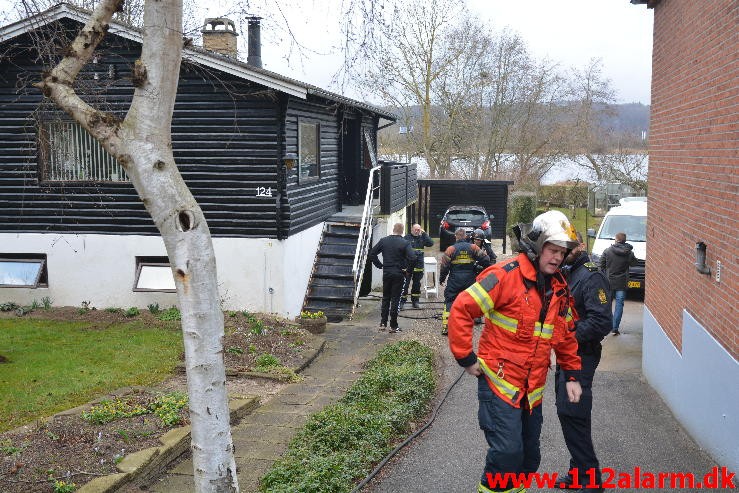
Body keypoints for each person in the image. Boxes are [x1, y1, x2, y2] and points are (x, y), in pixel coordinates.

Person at [448, 210, 583, 493]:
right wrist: (466, 357)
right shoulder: (504, 276)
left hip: (531, 390)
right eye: (552, 250)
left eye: (562, 252)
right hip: (500, 383)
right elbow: (461, 308)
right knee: (507, 454)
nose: (557, 257)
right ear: (536, 245)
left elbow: (566, 335)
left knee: (529, 458)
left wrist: (571, 375)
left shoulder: (559, 288)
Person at [556, 231, 612, 493]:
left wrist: (568, 338)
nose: (564, 251)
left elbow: (601, 322)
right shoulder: (569, 272)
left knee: (573, 412)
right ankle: (577, 473)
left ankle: (591, 480)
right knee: (569, 412)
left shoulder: (591, 275)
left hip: (582, 355)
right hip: (568, 355)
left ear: (580, 245)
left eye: (568, 246)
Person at [439, 228, 490, 336]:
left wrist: (442, 279)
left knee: (450, 301)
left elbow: (444, 267)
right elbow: (486, 260)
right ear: (466, 236)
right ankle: (469, 324)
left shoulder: (450, 249)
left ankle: (446, 327)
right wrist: (478, 268)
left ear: (456, 236)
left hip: (454, 280)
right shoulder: (473, 247)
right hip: (469, 280)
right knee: (471, 301)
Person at [369, 222, 415, 333]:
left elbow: (372, 253)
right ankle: (393, 326)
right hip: (399, 274)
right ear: (402, 231)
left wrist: (380, 265)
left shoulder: (384, 241)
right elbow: (413, 258)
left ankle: (383, 323)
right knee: (396, 299)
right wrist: (408, 270)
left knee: (386, 298)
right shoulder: (405, 243)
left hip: (387, 273)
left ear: (393, 230)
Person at [599, 232, 637, 335]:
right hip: (622, 283)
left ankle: (607, 325)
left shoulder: (607, 251)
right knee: (619, 305)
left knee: (607, 304)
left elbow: (601, 265)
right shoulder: (629, 253)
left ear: (616, 239)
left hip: (609, 282)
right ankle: (615, 328)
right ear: (625, 240)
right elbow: (634, 263)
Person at [400, 223, 434, 309]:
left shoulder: (422, 237)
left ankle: (415, 301)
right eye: (415, 229)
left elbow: (431, 243)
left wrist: (424, 233)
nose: (417, 231)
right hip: (408, 265)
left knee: (416, 284)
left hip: (418, 265)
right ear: (411, 229)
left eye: (419, 230)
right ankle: (402, 302)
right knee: (405, 284)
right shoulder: (406, 238)